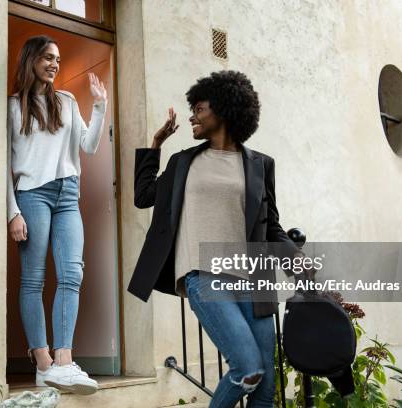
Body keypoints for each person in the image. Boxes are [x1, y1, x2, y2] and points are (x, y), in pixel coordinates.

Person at [128, 70, 303, 407]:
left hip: (254, 282)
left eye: (199, 108)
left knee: (265, 387)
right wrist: (156, 144)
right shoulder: (183, 163)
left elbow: (271, 228)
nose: (191, 115)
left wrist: (301, 266)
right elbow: (143, 195)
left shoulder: (260, 165)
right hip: (204, 276)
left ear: (222, 109)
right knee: (248, 369)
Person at [7, 35, 106, 395]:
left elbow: (89, 146)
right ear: (31, 58)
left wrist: (99, 107)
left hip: (67, 194)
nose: (54, 64)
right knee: (33, 280)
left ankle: (64, 362)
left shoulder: (65, 100)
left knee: (71, 275)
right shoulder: (13, 107)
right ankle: (43, 363)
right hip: (31, 195)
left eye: (58, 60)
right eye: (48, 57)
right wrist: (12, 211)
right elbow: (4, 164)